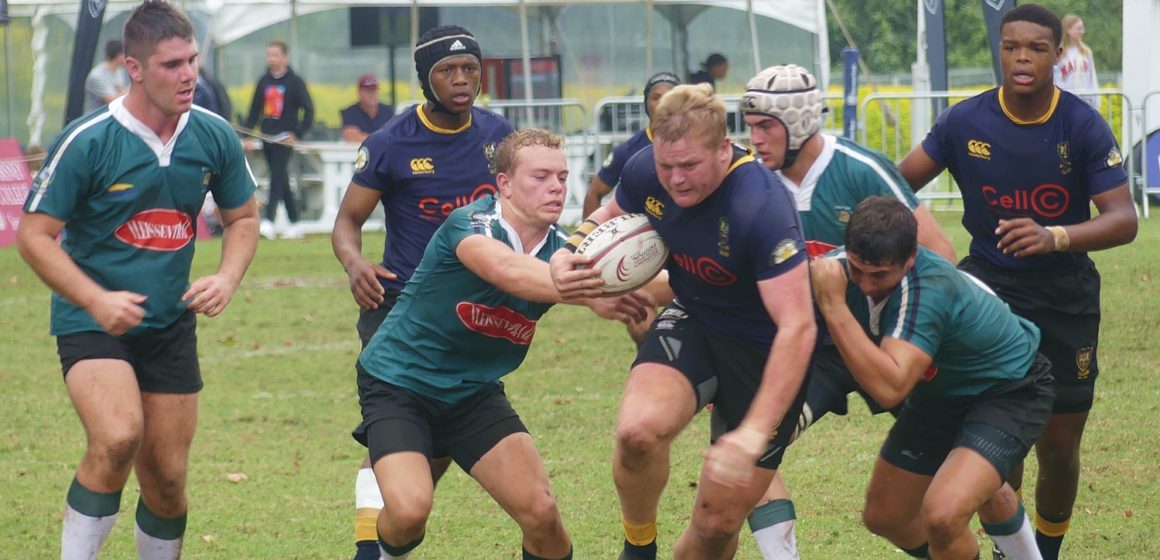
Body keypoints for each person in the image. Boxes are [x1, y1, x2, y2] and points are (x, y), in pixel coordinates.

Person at [16, 2, 260, 558]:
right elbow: (34, 235)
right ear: (135, 67)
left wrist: (226, 276)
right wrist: (95, 299)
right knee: (118, 435)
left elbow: (244, 217)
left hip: (169, 323)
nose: (189, 74)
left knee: (168, 478)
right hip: (92, 317)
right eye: (172, 64)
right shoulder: (90, 139)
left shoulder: (212, 135)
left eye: (193, 60)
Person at [897, 5, 1138, 559]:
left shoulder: (1080, 124)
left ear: (1057, 54)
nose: (1021, 58)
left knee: (1057, 445)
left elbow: (1123, 218)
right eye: (1010, 47)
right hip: (987, 295)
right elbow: (894, 183)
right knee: (992, 443)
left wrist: (1056, 236)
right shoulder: (965, 121)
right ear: (999, 51)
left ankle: (1045, 550)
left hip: (1064, 297)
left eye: (1034, 48)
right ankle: (1013, 546)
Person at [352, 128, 648, 560]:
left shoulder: (562, 250)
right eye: (541, 176)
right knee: (411, 511)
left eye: (563, 177)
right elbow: (506, 271)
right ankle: (375, 550)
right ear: (504, 184)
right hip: (400, 383)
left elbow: (643, 285)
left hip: (472, 392)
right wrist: (588, 290)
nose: (556, 187)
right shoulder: (470, 225)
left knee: (543, 516)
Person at [552, 83, 816, 560]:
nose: (674, 179)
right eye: (665, 165)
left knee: (716, 528)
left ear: (722, 148)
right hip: (693, 316)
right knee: (637, 434)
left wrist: (753, 431)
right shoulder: (644, 169)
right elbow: (610, 213)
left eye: (689, 166)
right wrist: (569, 252)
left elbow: (798, 326)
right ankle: (638, 548)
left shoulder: (760, 205)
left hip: (763, 349)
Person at [737, 62, 957, 559]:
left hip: (887, 341)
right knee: (751, 444)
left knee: (962, 465)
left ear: (797, 123)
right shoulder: (752, 183)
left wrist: (918, 335)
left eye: (765, 125)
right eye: (749, 126)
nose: (754, 138)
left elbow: (941, 253)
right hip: (814, 349)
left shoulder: (861, 169)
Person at [330, 25, 514, 560]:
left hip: (473, 311)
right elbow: (347, 222)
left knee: (436, 446)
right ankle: (371, 548)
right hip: (399, 309)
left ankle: (389, 539)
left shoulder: (498, 135)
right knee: (391, 435)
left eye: (470, 70)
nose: (461, 81)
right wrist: (354, 263)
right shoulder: (391, 143)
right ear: (425, 79)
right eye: (447, 71)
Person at [810, 197, 1052, 560]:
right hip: (941, 394)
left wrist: (834, 306)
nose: (865, 285)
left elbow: (889, 389)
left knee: (943, 513)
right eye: (858, 270)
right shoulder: (839, 267)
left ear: (910, 258)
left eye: (879, 275)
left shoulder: (926, 288)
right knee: (886, 516)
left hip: (1009, 387)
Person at [582, 71, 680, 219]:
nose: (662, 103)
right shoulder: (628, 150)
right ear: (646, 103)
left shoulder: (696, 146)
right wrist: (588, 239)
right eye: (656, 97)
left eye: (669, 97)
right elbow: (594, 193)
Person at [244, 40, 314, 240]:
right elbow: (254, 109)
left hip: (285, 139)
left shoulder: (295, 82)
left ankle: (269, 220)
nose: (271, 59)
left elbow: (309, 110)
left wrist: (297, 134)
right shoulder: (263, 81)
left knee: (276, 175)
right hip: (267, 137)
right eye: (269, 55)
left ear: (285, 57)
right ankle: (295, 221)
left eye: (275, 55)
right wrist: (248, 135)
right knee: (281, 177)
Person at [1054, 14, 1099, 109]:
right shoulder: (1060, 53)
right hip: (1066, 102)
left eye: (1082, 28)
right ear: (1068, 30)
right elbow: (1056, 78)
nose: (1082, 32)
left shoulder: (1086, 52)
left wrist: (1096, 102)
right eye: (1078, 29)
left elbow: (1092, 78)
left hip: (1085, 102)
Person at [340, 74, 395, 143]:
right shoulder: (350, 112)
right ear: (359, 93)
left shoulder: (388, 111)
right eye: (368, 91)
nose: (372, 94)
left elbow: (395, 135)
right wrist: (379, 140)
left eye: (374, 91)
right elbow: (350, 136)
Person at [83, 39, 129, 114]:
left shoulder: (118, 71)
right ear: (119, 56)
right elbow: (114, 101)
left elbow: (120, 90)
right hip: (96, 120)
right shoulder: (97, 76)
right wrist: (134, 87)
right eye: (127, 54)